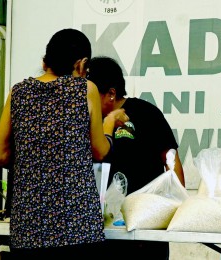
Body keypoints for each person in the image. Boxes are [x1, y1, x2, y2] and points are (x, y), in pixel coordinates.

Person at [0, 28, 128, 260]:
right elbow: (100, 151)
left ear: (46, 60)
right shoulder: (85, 90)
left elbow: (0, 156)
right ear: (82, 64)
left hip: (28, 230)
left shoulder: (18, 93)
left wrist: (36, 154)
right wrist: (109, 124)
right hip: (77, 229)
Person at [87, 55, 185, 259]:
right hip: (102, 231)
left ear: (111, 93)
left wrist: (179, 206)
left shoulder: (146, 113)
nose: (87, 103)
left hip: (144, 229)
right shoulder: (88, 122)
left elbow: (171, 160)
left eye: (92, 97)